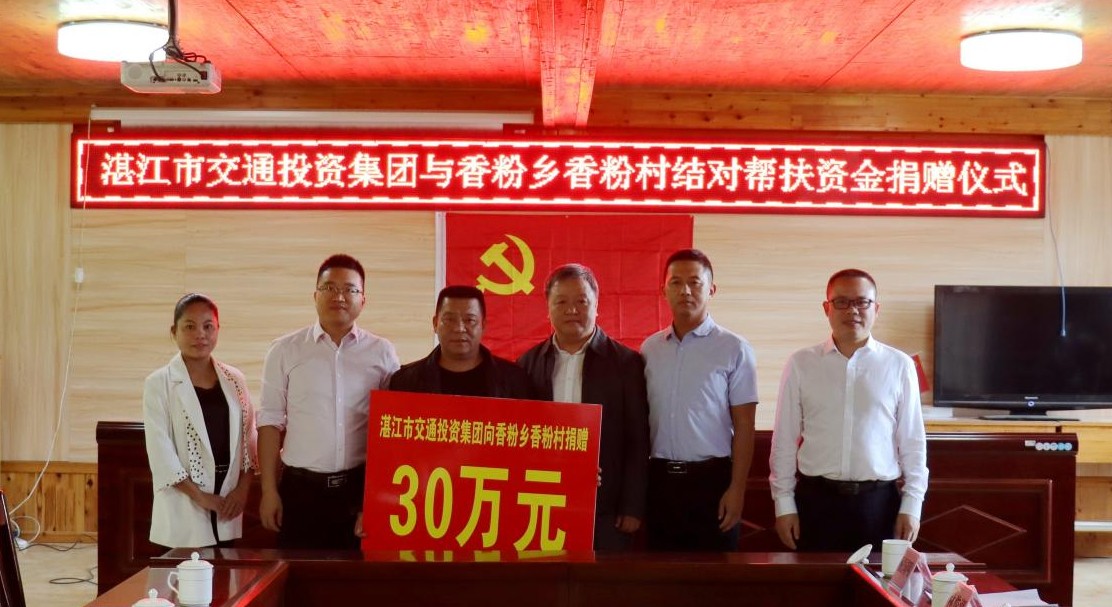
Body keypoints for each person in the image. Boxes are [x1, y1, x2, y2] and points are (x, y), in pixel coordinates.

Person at [769, 268, 928, 552]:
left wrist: (912, 505)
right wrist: (784, 504)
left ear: (876, 309)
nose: (852, 310)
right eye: (841, 302)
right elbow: (784, 439)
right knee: (816, 580)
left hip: (878, 505)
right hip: (816, 502)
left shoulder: (899, 365)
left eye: (862, 302)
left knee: (876, 582)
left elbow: (912, 442)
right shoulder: (801, 363)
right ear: (826, 308)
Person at [257, 254, 399, 550]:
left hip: (357, 489)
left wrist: (376, 498)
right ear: (315, 295)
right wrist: (269, 491)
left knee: (355, 576)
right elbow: (270, 422)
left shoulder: (382, 352)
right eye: (330, 288)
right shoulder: (285, 350)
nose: (339, 296)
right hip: (300, 490)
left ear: (363, 300)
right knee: (297, 574)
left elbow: (390, 429)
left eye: (349, 289)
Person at [517, 264, 650, 551]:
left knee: (603, 577)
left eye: (581, 301)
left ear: (596, 305)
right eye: (561, 302)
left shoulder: (626, 363)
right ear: (548, 308)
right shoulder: (529, 364)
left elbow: (638, 438)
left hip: (607, 508)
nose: (571, 310)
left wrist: (632, 506)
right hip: (544, 500)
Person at [641, 249, 758, 551]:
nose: (685, 291)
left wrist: (737, 489)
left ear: (711, 290)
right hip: (660, 482)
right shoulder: (650, 349)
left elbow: (745, 426)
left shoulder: (734, 348)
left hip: (712, 482)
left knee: (714, 575)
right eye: (676, 282)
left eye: (695, 282)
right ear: (663, 290)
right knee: (660, 573)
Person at [143, 293, 257, 549]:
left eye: (208, 326)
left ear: (218, 330)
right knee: (184, 572)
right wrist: (201, 497)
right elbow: (160, 451)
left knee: (225, 572)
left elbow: (250, 440)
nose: (200, 335)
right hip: (184, 503)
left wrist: (242, 490)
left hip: (228, 503)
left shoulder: (235, 379)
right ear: (174, 332)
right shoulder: (158, 383)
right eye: (190, 327)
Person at [388, 285, 534, 398]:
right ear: (435, 324)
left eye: (470, 320)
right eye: (449, 320)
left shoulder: (515, 380)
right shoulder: (404, 382)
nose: (459, 328)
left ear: (483, 325)